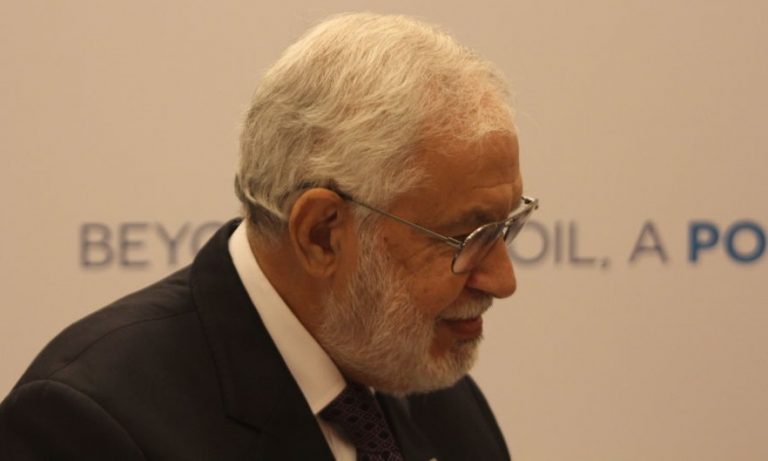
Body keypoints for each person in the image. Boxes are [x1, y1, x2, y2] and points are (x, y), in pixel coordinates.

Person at [0, 12, 537, 461]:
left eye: (507, 226)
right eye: (466, 237)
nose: (503, 279)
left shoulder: (432, 389)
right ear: (321, 234)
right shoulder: (86, 424)